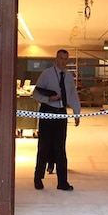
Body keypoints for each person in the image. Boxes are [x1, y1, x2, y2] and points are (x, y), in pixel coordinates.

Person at [32, 49, 81, 191]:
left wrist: (77, 112)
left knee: (60, 148)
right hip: (47, 112)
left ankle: (62, 181)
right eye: (61, 58)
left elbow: (73, 96)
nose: (63, 62)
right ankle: (38, 178)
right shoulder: (46, 74)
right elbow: (36, 93)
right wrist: (48, 99)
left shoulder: (69, 77)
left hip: (61, 113)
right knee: (44, 146)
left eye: (66, 59)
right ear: (56, 59)